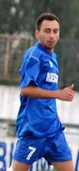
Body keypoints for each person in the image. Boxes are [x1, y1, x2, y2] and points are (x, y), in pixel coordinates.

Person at [11, 13, 74, 171]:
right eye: (47, 31)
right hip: (33, 130)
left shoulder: (53, 57)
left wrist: (53, 113)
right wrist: (58, 94)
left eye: (55, 31)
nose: (51, 35)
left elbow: (47, 90)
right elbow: (26, 90)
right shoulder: (34, 56)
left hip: (53, 130)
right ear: (37, 33)